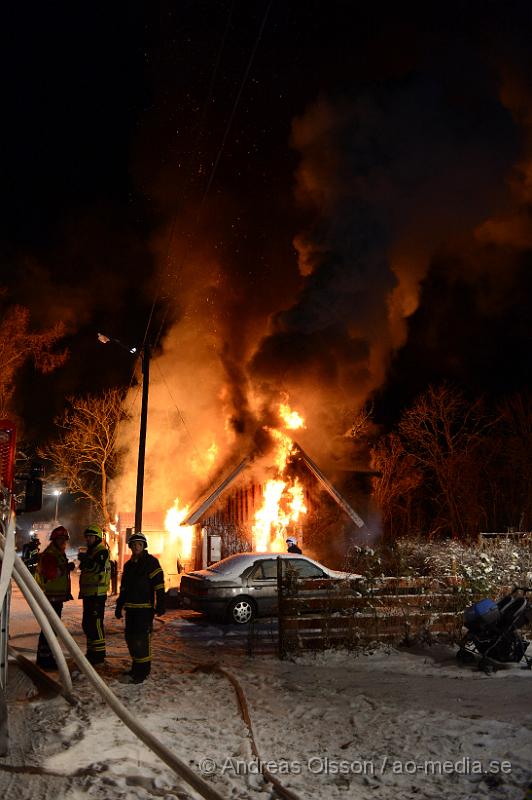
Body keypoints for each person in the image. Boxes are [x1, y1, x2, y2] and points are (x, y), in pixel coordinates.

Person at [115, 532, 165, 684]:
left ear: (144, 546)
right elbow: (124, 588)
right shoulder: (128, 566)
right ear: (130, 547)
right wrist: (119, 605)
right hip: (131, 609)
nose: (136, 547)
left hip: (144, 609)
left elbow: (159, 585)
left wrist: (161, 603)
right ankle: (136, 667)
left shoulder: (151, 563)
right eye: (134, 544)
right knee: (130, 638)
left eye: (139, 544)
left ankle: (143, 671)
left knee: (141, 639)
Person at [35, 526, 74, 669]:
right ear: (54, 540)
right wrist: (65, 568)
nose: (63, 541)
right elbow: (50, 574)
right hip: (51, 598)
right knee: (50, 629)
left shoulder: (58, 552)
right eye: (60, 539)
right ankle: (45, 660)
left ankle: (45, 657)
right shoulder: (51, 554)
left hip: (56, 598)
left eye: (64, 539)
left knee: (51, 628)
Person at [78, 523, 111, 665]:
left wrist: (86, 560)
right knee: (87, 624)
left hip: (97, 594)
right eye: (87, 537)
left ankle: (99, 655)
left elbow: (96, 567)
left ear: (97, 538)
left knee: (95, 624)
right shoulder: (91, 552)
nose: (88, 539)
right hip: (89, 594)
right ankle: (91, 651)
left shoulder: (101, 551)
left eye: (91, 537)